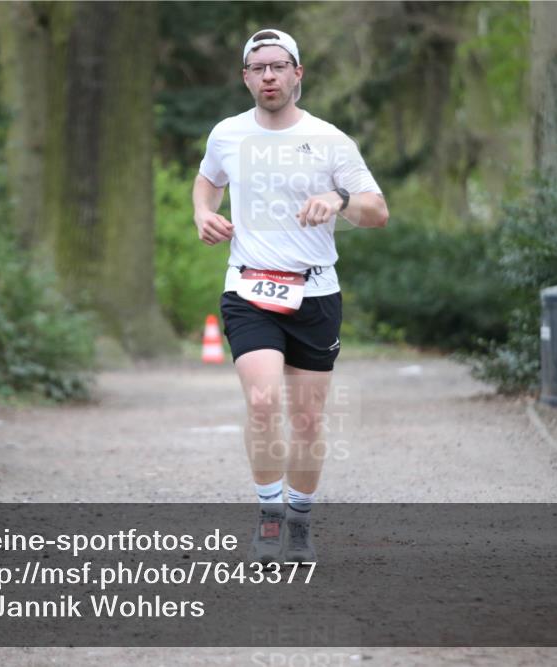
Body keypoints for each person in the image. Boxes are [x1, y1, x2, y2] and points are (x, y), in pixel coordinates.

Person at [192, 28, 388, 563]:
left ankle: (300, 519)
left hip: (315, 291)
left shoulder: (331, 141)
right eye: (259, 68)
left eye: (279, 66)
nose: (269, 76)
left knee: (305, 420)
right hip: (249, 287)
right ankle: (270, 516)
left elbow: (377, 212)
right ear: (246, 78)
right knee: (261, 402)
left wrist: (338, 196)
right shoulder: (227, 134)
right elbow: (208, 180)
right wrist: (203, 213)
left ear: (298, 73)